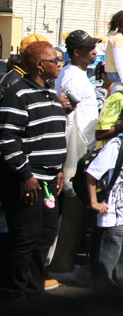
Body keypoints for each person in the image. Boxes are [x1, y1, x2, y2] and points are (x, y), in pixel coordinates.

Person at [0, 40, 67, 300]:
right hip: (28, 181)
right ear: (40, 65)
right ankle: (13, 295)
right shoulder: (18, 94)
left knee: (45, 236)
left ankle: (34, 292)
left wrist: (58, 168)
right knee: (25, 238)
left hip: (49, 179)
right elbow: (8, 140)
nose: (59, 65)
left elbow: (53, 134)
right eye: (55, 61)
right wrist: (25, 175)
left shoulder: (49, 94)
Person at [49, 30, 102, 282]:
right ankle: (61, 265)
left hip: (81, 149)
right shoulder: (71, 77)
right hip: (75, 151)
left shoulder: (78, 74)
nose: (95, 51)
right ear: (76, 51)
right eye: (90, 47)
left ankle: (63, 262)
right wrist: (71, 159)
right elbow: (69, 120)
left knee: (75, 210)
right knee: (72, 209)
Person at [86, 105, 123, 289]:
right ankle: (103, 292)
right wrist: (94, 202)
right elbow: (92, 173)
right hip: (113, 213)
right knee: (109, 254)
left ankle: (122, 289)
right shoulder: (116, 145)